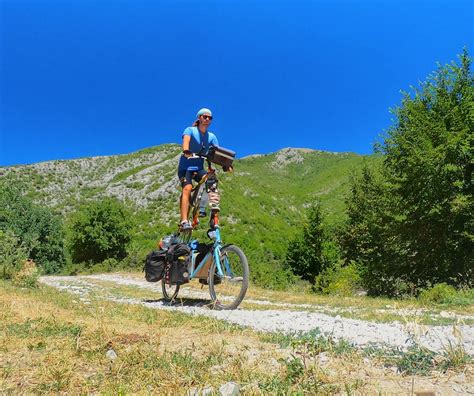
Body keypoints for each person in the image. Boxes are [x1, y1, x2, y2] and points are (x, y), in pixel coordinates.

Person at [178, 108, 223, 231]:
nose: (207, 119)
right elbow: (186, 141)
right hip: (185, 168)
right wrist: (186, 150)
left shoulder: (212, 137)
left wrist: (226, 164)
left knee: (212, 181)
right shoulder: (190, 130)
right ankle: (184, 221)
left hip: (198, 168)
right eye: (205, 117)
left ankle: (214, 218)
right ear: (199, 118)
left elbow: (217, 153)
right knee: (187, 188)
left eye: (210, 118)